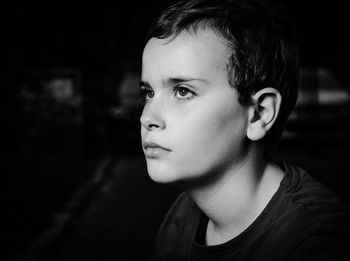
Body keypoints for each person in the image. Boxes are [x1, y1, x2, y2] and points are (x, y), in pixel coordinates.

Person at [139, 0, 350, 260]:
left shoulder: (316, 243)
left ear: (259, 113)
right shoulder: (181, 216)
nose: (147, 117)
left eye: (183, 91)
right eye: (148, 92)